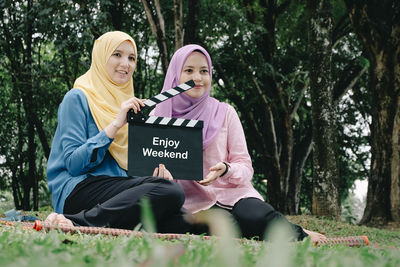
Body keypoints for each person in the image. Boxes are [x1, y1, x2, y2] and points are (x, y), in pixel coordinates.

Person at [153, 44, 326, 242]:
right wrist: (160, 178)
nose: (198, 78)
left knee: (256, 217)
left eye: (204, 71)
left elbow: (245, 166)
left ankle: (297, 233)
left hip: (232, 194)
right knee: (222, 226)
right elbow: (145, 166)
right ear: (176, 75)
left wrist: (226, 170)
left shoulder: (225, 113)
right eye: (189, 71)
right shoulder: (158, 115)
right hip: (188, 201)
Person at [45, 31, 199, 234]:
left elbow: (130, 170)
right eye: (116, 54)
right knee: (171, 192)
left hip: (117, 192)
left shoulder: (131, 105)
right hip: (78, 189)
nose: (125, 64)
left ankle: (117, 221)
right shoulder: (77, 98)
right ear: (101, 57)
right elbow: (74, 165)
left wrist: (157, 176)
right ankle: (77, 221)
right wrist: (115, 125)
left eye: (131, 58)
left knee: (188, 219)